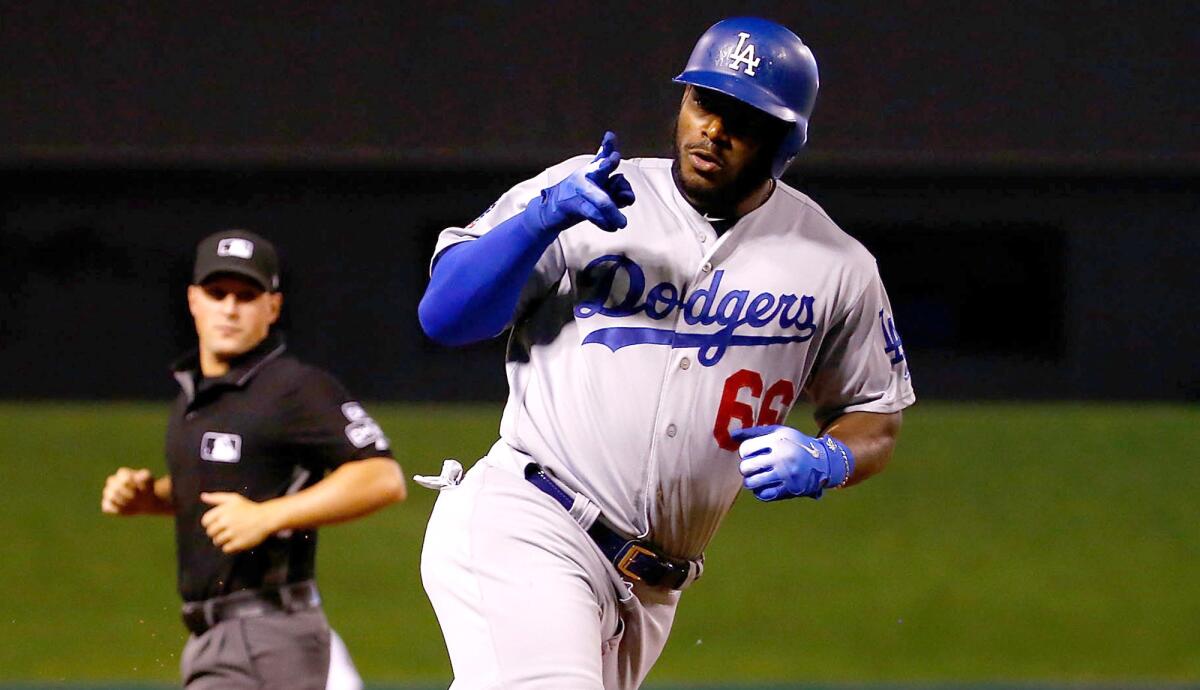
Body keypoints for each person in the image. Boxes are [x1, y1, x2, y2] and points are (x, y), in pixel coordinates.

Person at [415, 16, 914, 690]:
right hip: (533, 520)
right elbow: (446, 317)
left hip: (651, 590)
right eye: (704, 102)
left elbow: (875, 418)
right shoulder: (587, 191)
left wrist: (831, 457)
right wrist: (539, 221)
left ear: (786, 141)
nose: (713, 129)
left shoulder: (836, 265)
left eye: (743, 117)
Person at [101, 229, 406, 690]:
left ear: (273, 307)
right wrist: (153, 497)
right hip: (220, 640)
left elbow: (382, 477)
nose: (229, 307)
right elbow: (226, 484)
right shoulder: (195, 396)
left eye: (246, 295)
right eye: (216, 292)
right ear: (192, 300)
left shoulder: (295, 388)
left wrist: (268, 516)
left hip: (269, 636)